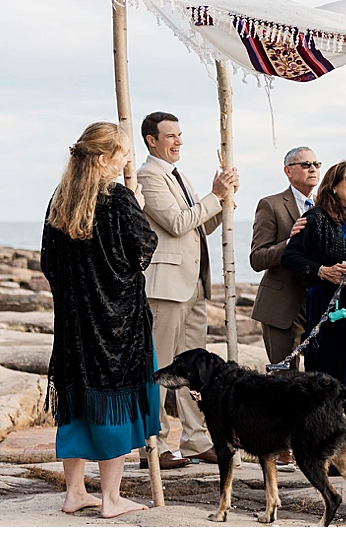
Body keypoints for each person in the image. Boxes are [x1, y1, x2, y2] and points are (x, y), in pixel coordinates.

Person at [41, 121, 158, 520]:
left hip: (73, 323)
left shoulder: (61, 199)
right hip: (116, 324)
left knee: (75, 402)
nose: (129, 158)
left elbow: (48, 264)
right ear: (106, 158)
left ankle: (75, 492)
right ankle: (111, 498)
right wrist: (138, 208)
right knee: (115, 404)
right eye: (125, 152)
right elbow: (144, 249)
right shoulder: (121, 199)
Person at [133, 111, 236, 468]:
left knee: (196, 367)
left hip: (194, 285)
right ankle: (156, 444)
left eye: (180, 135)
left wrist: (225, 199)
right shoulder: (148, 176)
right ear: (152, 140)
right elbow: (177, 224)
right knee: (159, 367)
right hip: (165, 287)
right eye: (171, 136)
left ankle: (196, 440)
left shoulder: (181, 177)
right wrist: (214, 195)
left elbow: (198, 226)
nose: (178, 141)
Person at [280, 161, 346, 475]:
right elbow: (291, 257)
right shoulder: (315, 218)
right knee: (328, 373)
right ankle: (327, 450)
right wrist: (323, 271)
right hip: (326, 304)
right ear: (334, 185)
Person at [251, 146, 318, 371]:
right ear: (288, 171)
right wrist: (290, 243)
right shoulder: (271, 205)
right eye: (306, 165)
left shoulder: (326, 207)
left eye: (316, 165)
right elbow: (257, 258)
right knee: (282, 380)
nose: (313, 169)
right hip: (280, 306)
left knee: (319, 376)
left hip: (317, 303)